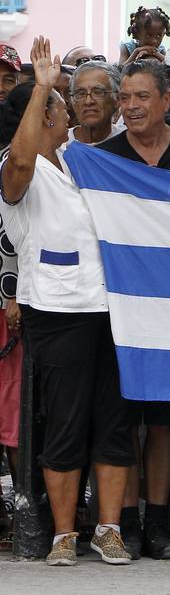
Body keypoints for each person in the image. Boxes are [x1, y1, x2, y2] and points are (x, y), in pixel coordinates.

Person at [1, 37, 134, 567]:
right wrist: (42, 88)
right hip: (57, 311)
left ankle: (109, 528)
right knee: (65, 422)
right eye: (61, 105)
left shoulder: (86, 161)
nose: (68, 111)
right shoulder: (17, 169)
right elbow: (22, 160)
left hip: (112, 308)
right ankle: (62, 534)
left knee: (114, 421)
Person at [96, 61, 170, 560]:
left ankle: (158, 522)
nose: (130, 106)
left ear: (166, 101)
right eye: (124, 97)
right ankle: (124, 521)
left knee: (165, 421)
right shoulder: (103, 157)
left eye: (141, 97)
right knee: (122, 418)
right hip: (122, 306)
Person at [0, 44, 22, 546]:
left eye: (7, 78)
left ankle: (25, 509)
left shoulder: (15, 154)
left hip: (12, 296)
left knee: (15, 409)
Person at [67, 61, 121, 145]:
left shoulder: (131, 142)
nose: (88, 101)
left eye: (98, 92)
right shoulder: (59, 145)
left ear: (117, 99)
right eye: (80, 94)